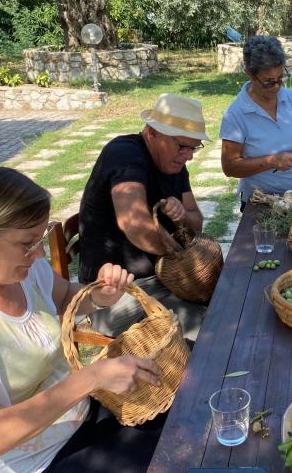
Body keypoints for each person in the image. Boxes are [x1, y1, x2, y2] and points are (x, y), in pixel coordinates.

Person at [0, 165, 166, 472]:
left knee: (180, 420)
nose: (39, 253)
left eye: (40, 239)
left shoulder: (22, 271)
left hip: (77, 419)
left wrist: (97, 296)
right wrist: (92, 378)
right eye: (26, 243)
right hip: (30, 462)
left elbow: (65, 297)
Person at [79, 93, 210, 340]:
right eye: (182, 146)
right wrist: (180, 257)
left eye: (194, 147)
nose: (189, 155)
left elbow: (196, 221)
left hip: (163, 279)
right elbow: (134, 224)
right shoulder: (125, 153)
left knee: (229, 299)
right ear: (152, 133)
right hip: (117, 292)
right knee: (210, 329)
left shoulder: (174, 163)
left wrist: (182, 217)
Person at [220, 35, 292, 205]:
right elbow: (229, 167)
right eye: (268, 82)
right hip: (260, 202)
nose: (277, 86)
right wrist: (271, 161)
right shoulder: (236, 114)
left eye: (280, 78)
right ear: (249, 74)